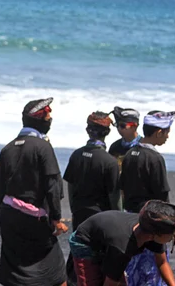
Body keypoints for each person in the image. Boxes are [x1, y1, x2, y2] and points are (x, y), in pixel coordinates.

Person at [0, 97, 68, 286]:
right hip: (35, 218)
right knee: (56, 271)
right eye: (48, 117)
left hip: (9, 215)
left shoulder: (8, 148)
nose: (50, 120)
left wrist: (2, 213)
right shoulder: (43, 147)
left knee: (16, 268)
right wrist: (56, 219)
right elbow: (52, 183)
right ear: (41, 120)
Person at [63, 111, 120, 285]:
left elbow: (70, 187)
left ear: (88, 130)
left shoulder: (76, 155)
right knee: (98, 260)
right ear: (108, 132)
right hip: (101, 217)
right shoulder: (109, 161)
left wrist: (74, 209)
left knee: (79, 253)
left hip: (79, 213)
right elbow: (114, 197)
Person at [120, 110, 175, 286]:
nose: (168, 136)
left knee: (132, 265)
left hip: (130, 218)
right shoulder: (155, 158)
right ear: (159, 132)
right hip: (151, 221)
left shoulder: (129, 154)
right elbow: (162, 196)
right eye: (167, 132)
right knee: (152, 268)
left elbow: (123, 187)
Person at [68, 200, 175, 286]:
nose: (173, 236)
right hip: (86, 241)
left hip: (108, 236)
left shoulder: (151, 230)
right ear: (156, 233)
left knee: (121, 282)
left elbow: (162, 263)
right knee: (93, 281)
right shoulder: (123, 248)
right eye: (172, 233)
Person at [108, 106, 141, 170]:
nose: (119, 129)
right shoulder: (114, 147)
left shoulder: (144, 147)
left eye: (123, 126)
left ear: (134, 126)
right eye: (117, 125)